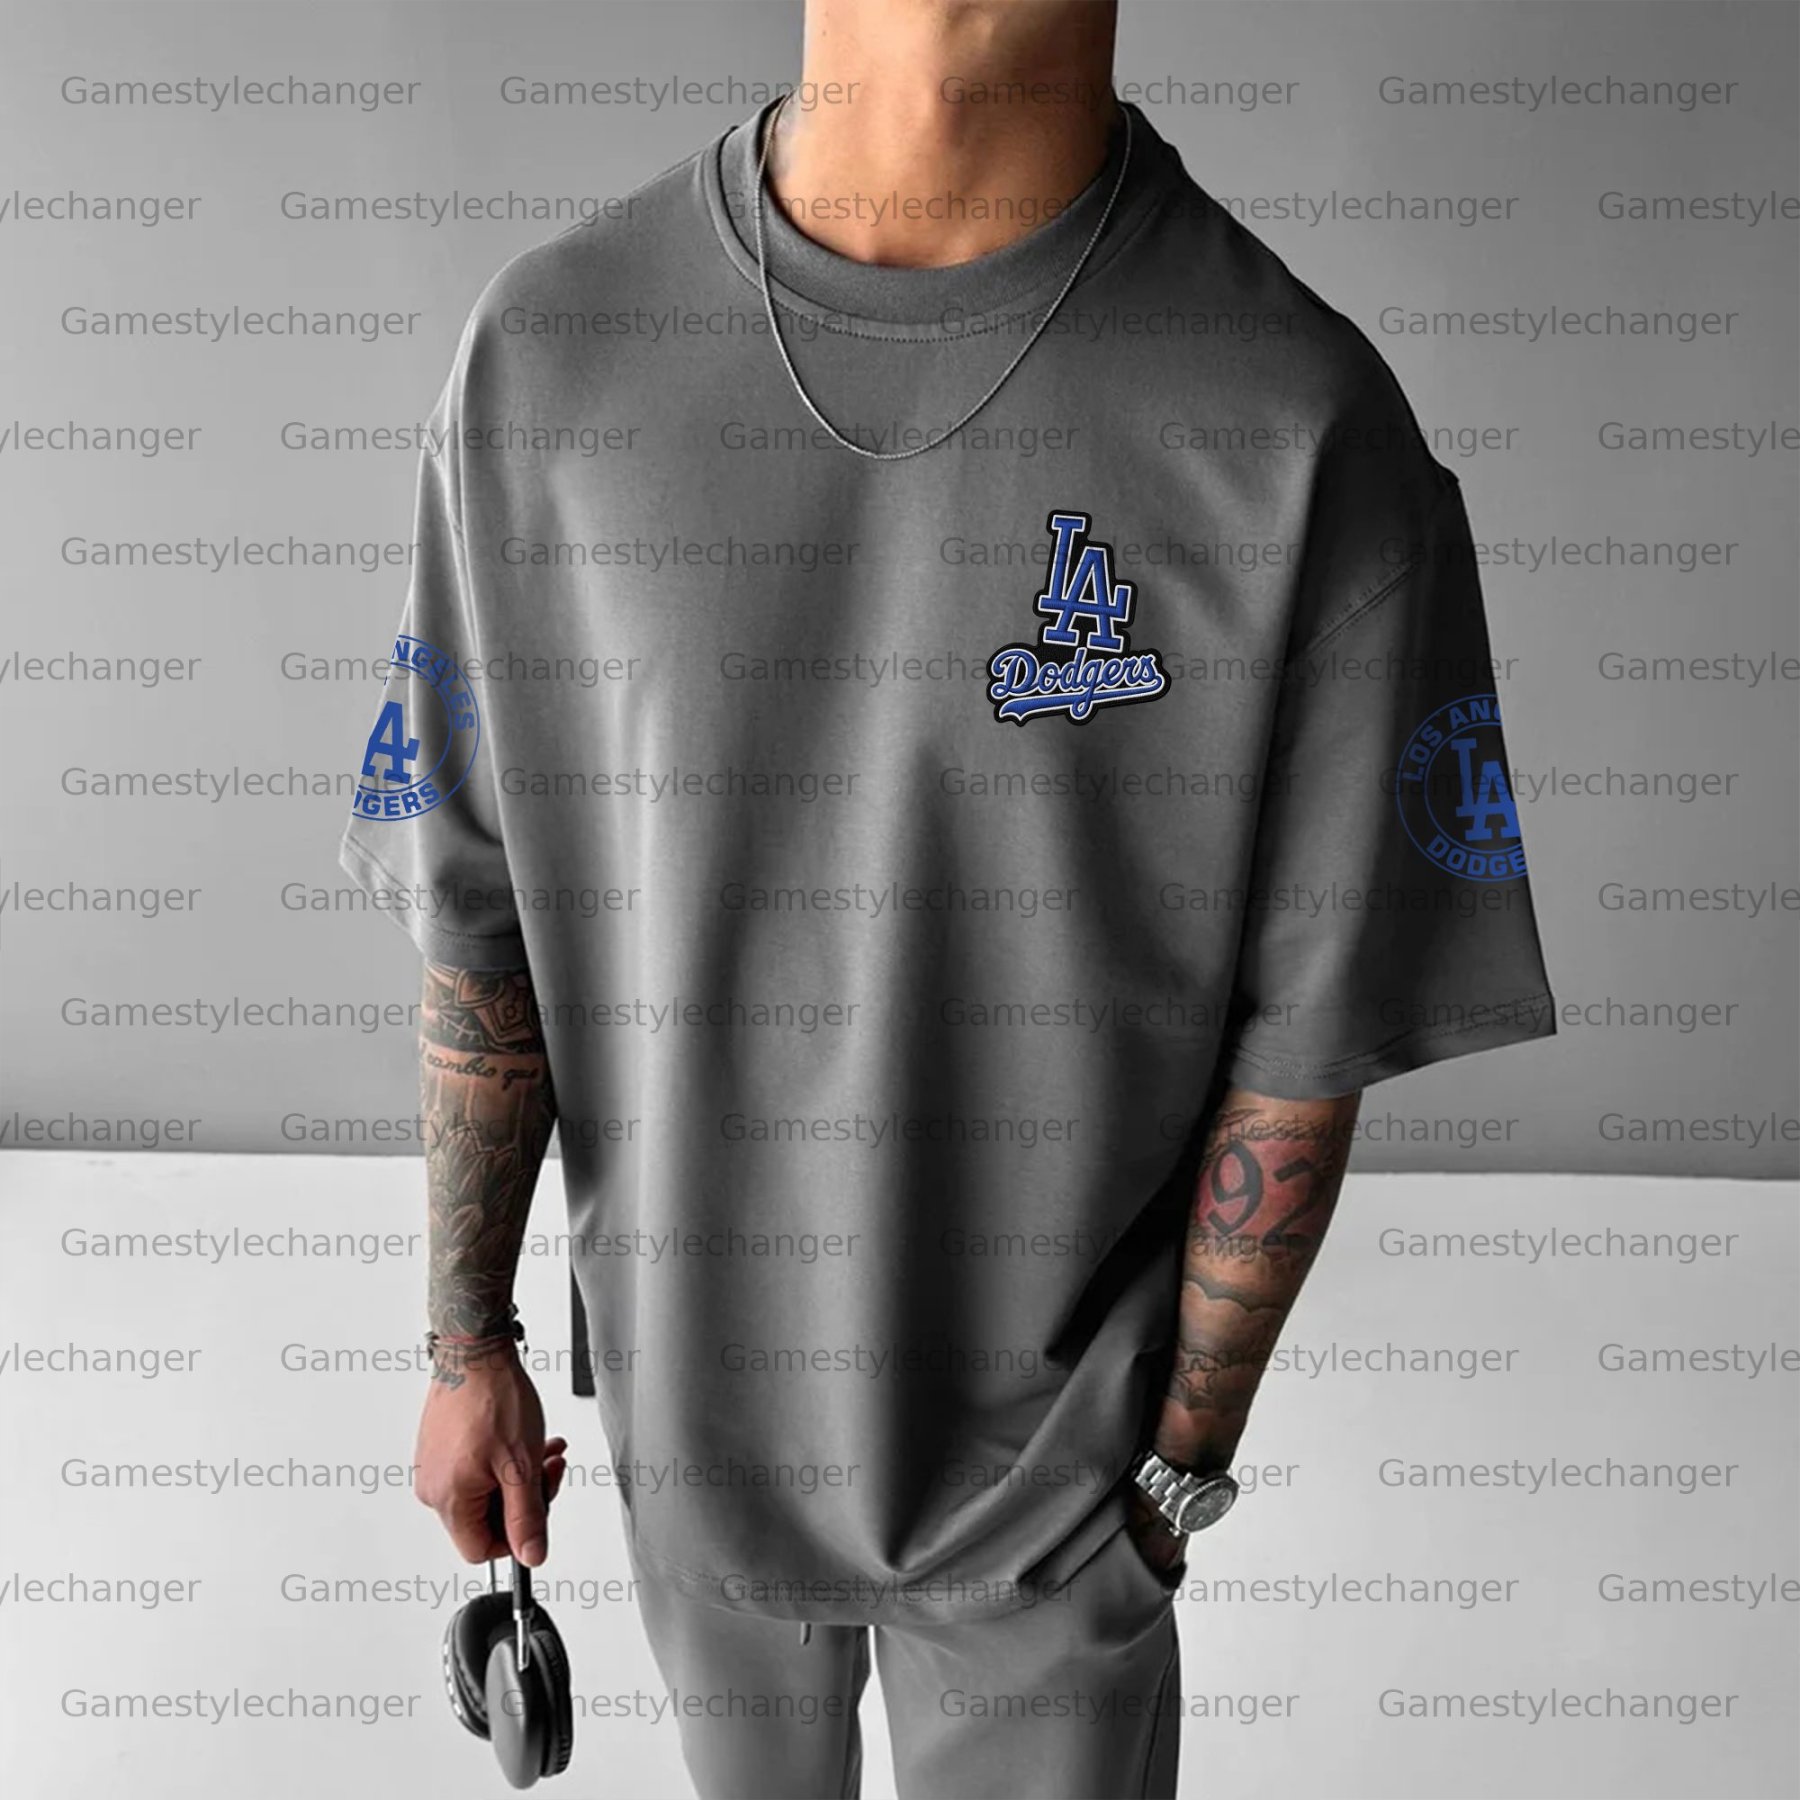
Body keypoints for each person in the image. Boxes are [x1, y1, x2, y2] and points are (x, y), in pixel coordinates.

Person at [338, 3, 1554, 1794]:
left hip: (1058, 1511)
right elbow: (478, 913)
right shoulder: (548, 359)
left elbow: (1308, 1048)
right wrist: (468, 1347)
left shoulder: (1306, 429)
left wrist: (1168, 1482)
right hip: (686, 1455)